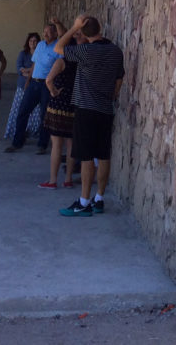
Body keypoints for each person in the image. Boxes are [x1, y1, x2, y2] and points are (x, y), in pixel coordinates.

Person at [55, 15, 124, 217]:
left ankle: (84, 202)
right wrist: (112, 95)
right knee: (103, 154)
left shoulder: (86, 51)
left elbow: (58, 48)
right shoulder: (115, 51)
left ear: (83, 33)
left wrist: (73, 27)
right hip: (106, 109)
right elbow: (119, 78)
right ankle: (99, 198)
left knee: (86, 156)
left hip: (86, 109)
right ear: (99, 28)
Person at [5, 18, 65, 154]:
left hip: (47, 85)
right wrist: (28, 82)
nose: (45, 34)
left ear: (55, 34)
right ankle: (17, 142)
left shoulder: (58, 47)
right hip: (34, 83)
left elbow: (60, 67)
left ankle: (42, 145)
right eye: (44, 32)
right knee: (23, 111)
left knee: (45, 115)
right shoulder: (40, 45)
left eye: (49, 32)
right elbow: (34, 64)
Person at [38, 30, 82, 190]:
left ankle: (53, 180)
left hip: (58, 105)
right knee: (71, 144)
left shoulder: (61, 61)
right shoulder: (81, 62)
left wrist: (54, 91)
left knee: (56, 144)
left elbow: (48, 80)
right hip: (74, 104)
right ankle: (68, 179)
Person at [5, 32, 43, 140]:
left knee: (35, 111)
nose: (32, 43)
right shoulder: (23, 54)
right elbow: (19, 68)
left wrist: (27, 70)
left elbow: (39, 68)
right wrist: (29, 71)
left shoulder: (41, 54)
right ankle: (17, 132)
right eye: (31, 41)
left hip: (35, 86)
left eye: (35, 41)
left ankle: (32, 132)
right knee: (19, 109)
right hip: (23, 86)